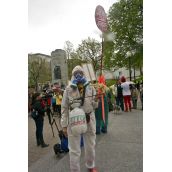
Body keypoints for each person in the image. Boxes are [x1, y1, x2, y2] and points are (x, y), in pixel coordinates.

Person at [61, 65, 98, 172]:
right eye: (76, 73)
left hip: (89, 119)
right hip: (74, 120)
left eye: (80, 73)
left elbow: (95, 106)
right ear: (73, 75)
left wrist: (97, 100)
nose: (78, 75)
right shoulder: (68, 90)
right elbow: (64, 108)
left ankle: (90, 166)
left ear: (84, 74)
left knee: (90, 146)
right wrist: (64, 125)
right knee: (74, 149)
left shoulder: (91, 88)